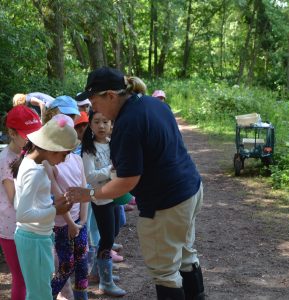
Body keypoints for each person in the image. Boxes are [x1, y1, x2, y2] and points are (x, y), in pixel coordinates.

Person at [67, 67, 205, 300]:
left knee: (165, 272)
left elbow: (127, 182)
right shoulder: (153, 104)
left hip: (166, 204)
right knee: (186, 255)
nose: (93, 108)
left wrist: (88, 194)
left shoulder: (128, 123)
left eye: (93, 101)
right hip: (190, 189)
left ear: (111, 95)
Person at [12, 116, 78, 300]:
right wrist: (55, 210)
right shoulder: (35, 171)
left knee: (39, 291)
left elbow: (20, 204)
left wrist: (53, 207)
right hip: (34, 239)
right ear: (53, 149)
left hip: (35, 238)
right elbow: (22, 214)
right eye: (65, 154)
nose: (64, 160)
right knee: (40, 295)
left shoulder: (30, 162)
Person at [80, 110, 126, 297]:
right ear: (90, 125)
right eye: (97, 122)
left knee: (115, 229)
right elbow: (89, 176)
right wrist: (110, 169)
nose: (101, 126)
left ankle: (97, 272)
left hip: (115, 194)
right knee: (106, 239)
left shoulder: (112, 144)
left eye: (105, 122)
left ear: (111, 125)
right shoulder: (88, 150)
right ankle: (106, 283)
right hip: (100, 198)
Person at [42, 115, 89, 300]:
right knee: (66, 265)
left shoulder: (77, 160)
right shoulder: (50, 163)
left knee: (82, 264)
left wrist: (82, 221)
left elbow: (84, 191)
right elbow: (59, 196)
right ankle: (49, 294)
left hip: (79, 221)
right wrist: (70, 223)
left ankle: (81, 297)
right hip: (62, 224)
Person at [0, 105, 42, 300]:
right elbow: (15, 200)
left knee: (32, 276)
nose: (32, 139)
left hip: (28, 224)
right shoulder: (5, 160)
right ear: (11, 133)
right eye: (27, 134)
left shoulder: (27, 153)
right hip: (11, 229)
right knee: (21, 278)